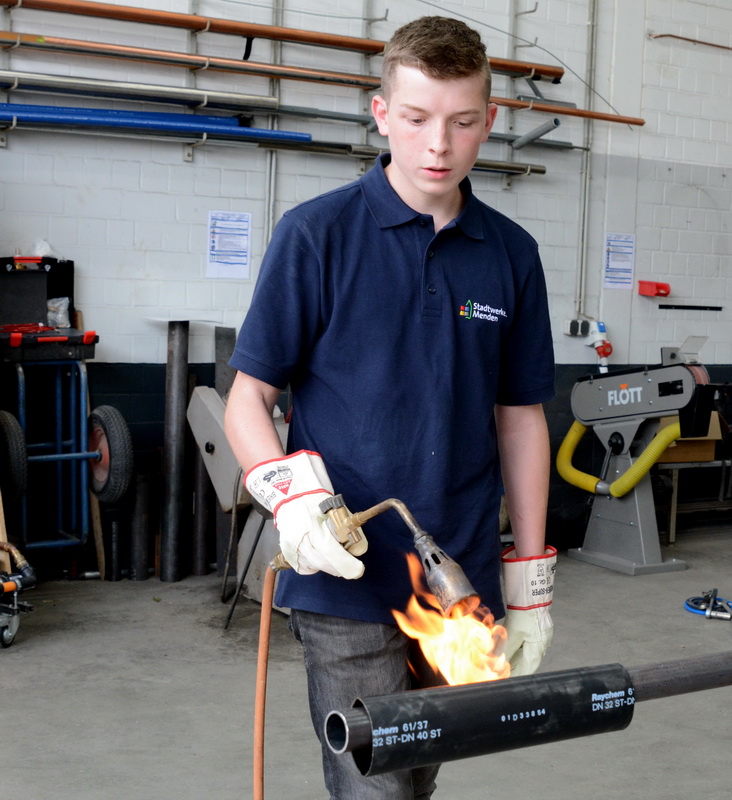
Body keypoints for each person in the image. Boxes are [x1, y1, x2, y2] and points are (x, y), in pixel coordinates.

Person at [224, 15, 557, 799]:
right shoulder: (317, 236)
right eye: (414, 119)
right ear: (381, 114)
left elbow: (522, 419)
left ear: (489, 121)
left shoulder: (512, 255)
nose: (437, 143)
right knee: (375, 787)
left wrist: (531, 583)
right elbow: (249, 398)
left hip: (458, 576)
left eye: (461, 121)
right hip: (343, 573)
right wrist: (291, 502)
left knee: (417, 777)